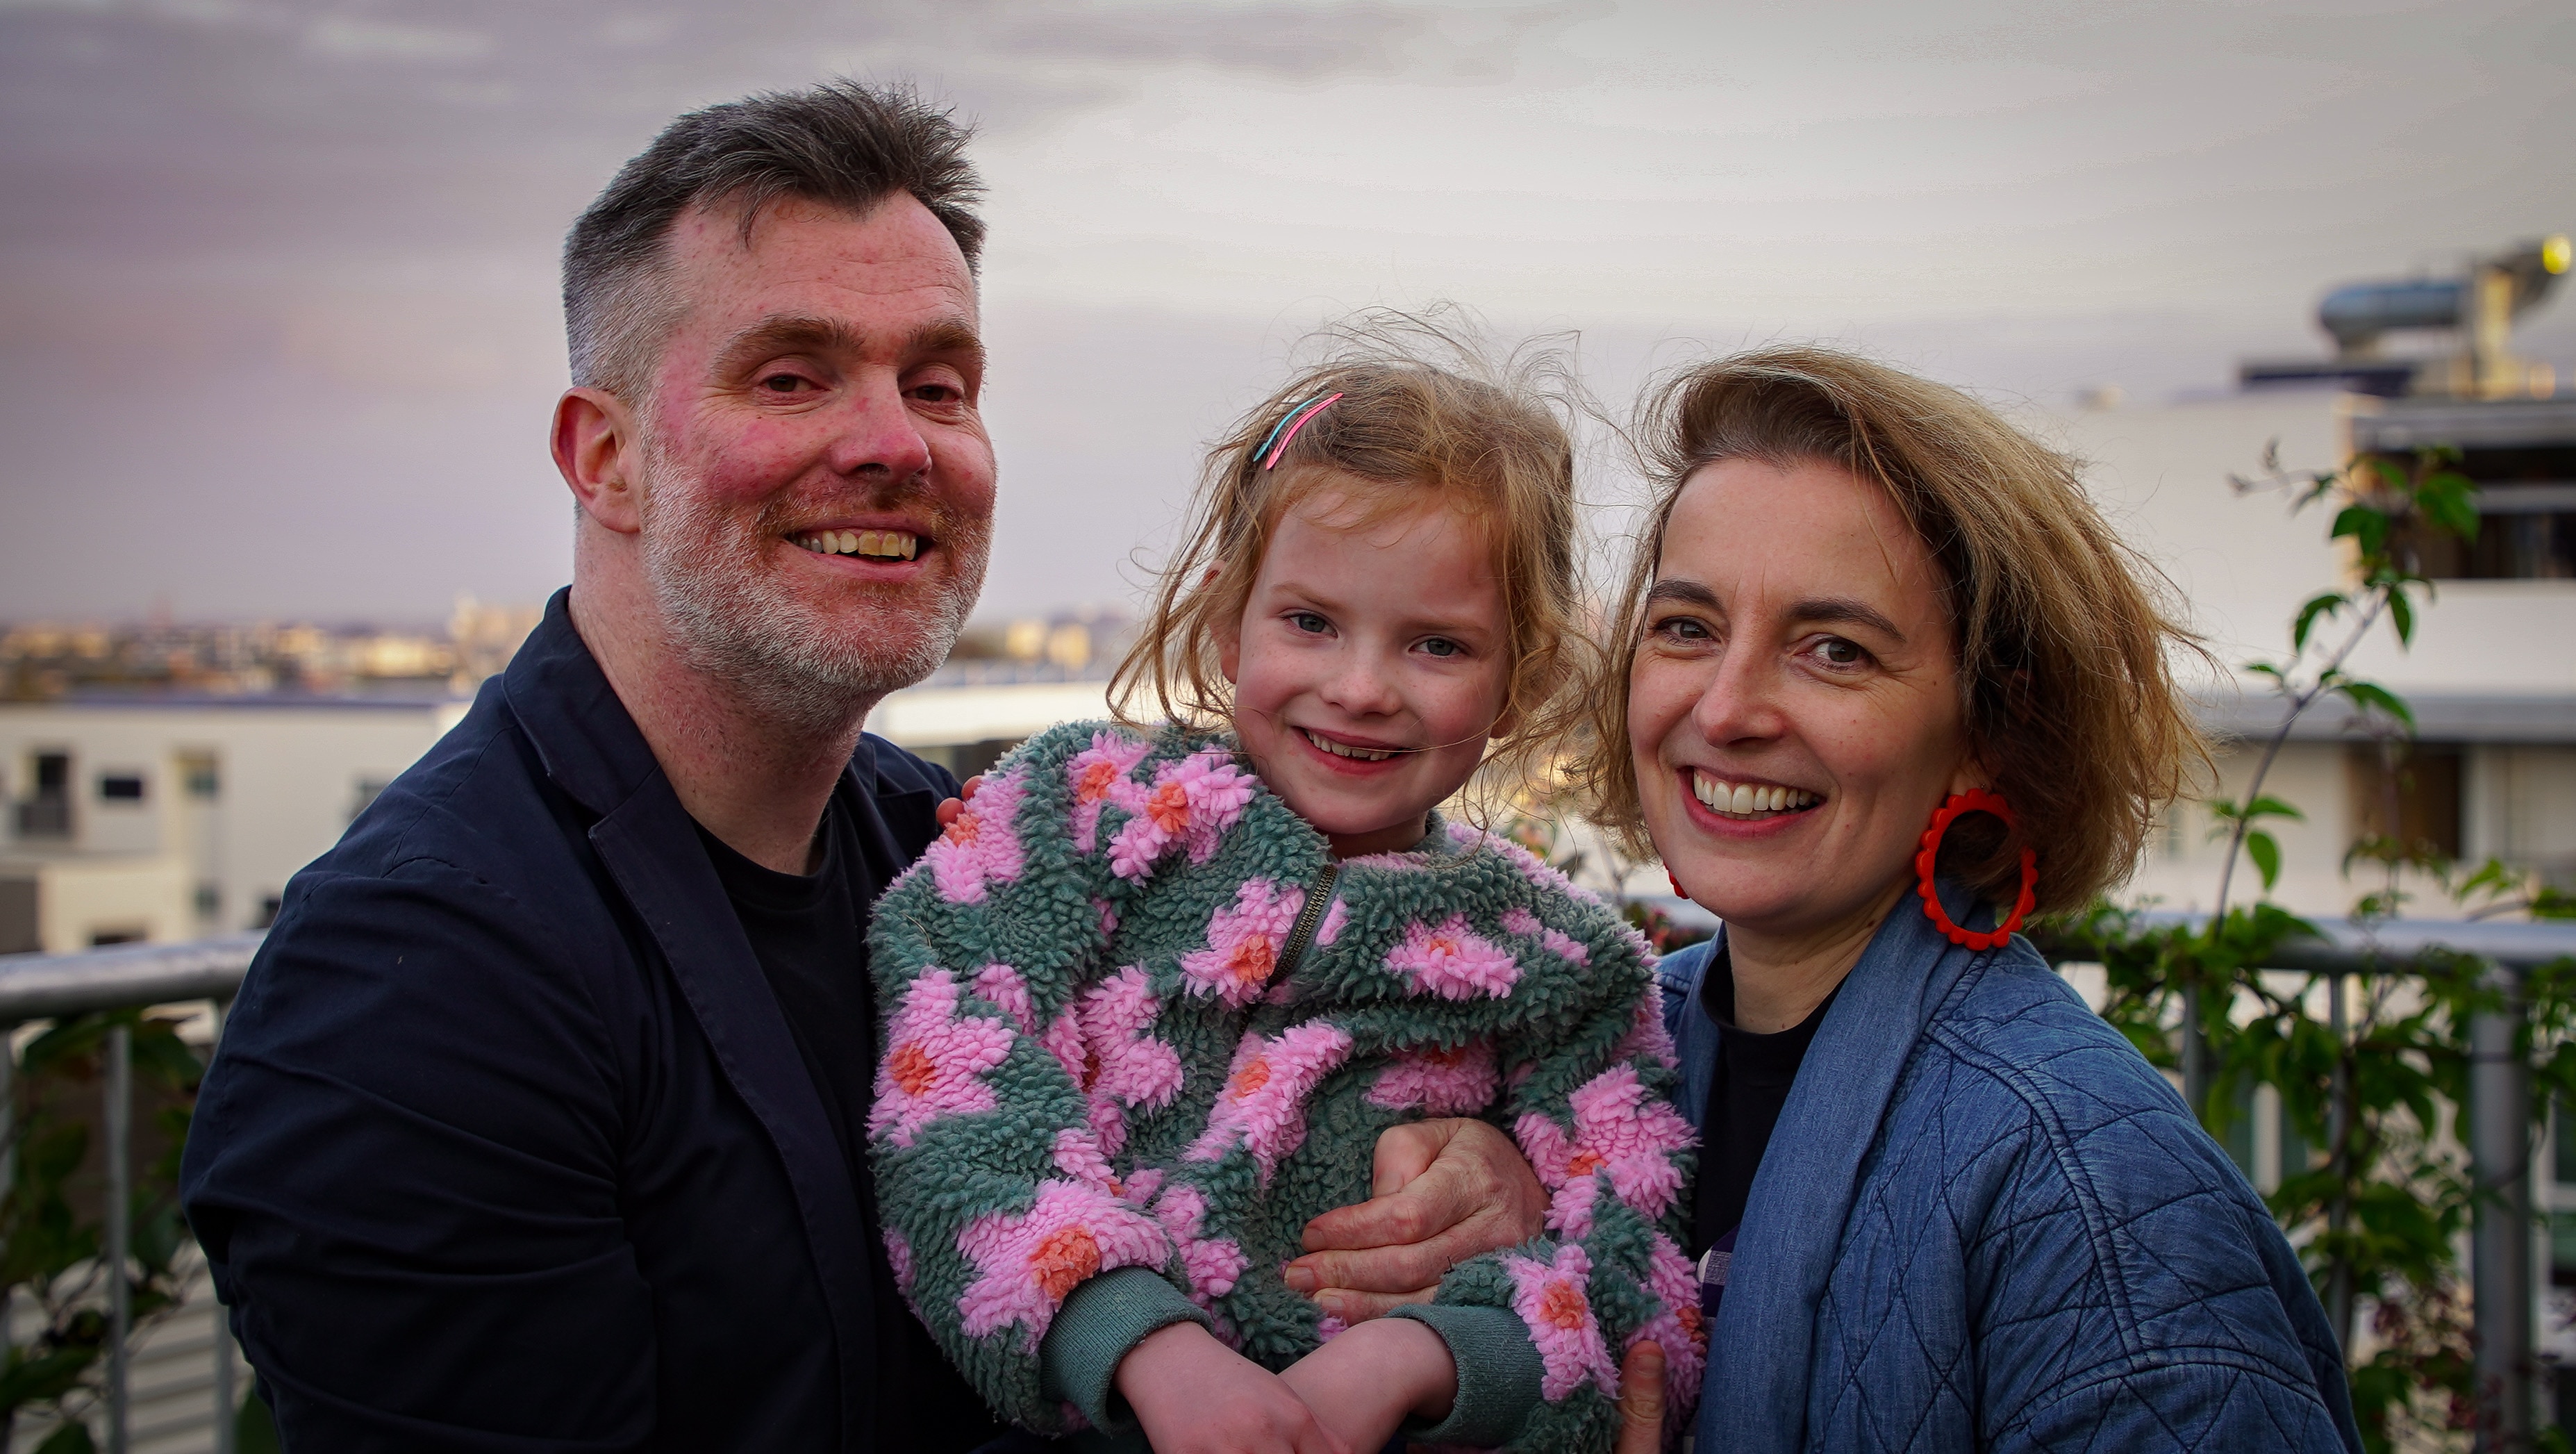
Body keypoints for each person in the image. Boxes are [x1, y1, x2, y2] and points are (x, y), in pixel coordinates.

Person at [175, 83, 1540, 1453]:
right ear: (605, 458)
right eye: (791, 375)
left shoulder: (964, 851)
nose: (896, 443)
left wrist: (1475, 1169)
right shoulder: (422, 979)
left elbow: (1244, 1130)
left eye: (936, 385)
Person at [866, 336, 1705, 1454]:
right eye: (1309, 621)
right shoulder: (1073, 818)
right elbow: (952, 1094)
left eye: (1437, 644)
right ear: (1227, 619)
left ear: (1523, 678)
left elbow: (1641, 1286)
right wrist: (1138, 1343)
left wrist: (1430, 1357)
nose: (1359, 688)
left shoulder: (1567, 966)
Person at [1578, 345, 2364, 1452]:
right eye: (1686, 627)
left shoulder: (2094, 1194)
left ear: (1986, 736)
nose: (1727, 704)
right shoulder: (1592, 1056)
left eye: (1833, 649)